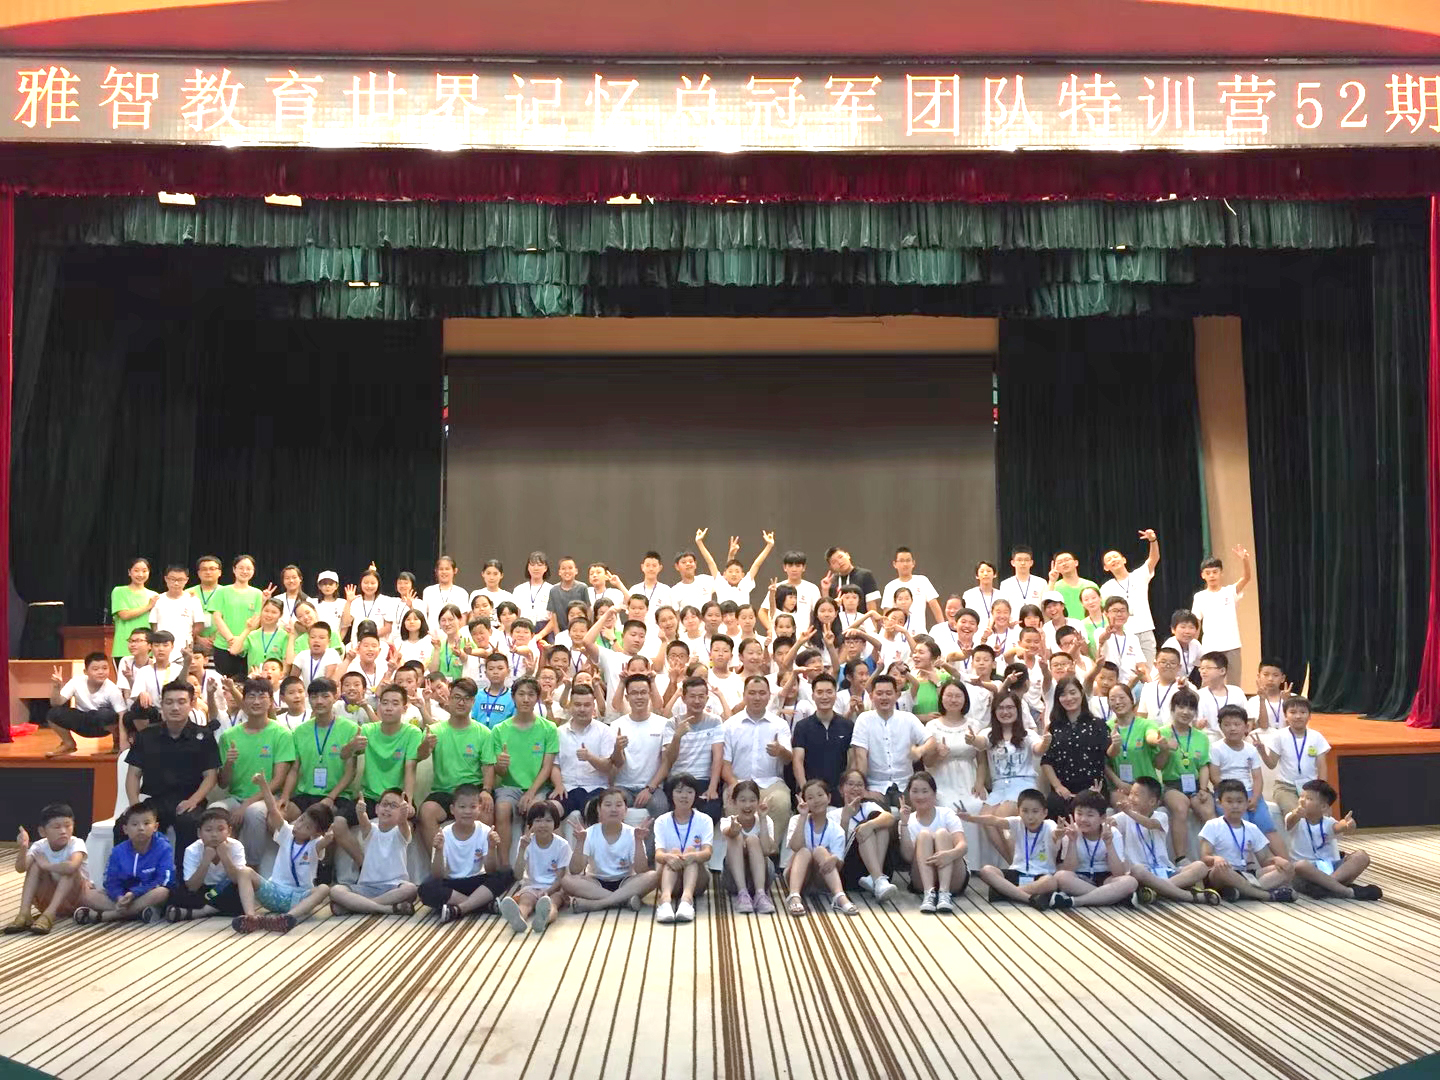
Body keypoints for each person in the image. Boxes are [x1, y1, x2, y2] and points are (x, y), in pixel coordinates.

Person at [121, 681, 220, 867]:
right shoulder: (146, 736)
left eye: (181, 702)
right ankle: (131, 876)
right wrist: (135, 806)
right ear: (161, 704)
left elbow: (211, 776)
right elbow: (133, 774)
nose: (175, 707)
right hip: (155, 801)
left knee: (189, 823)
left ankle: (184, 879)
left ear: (191, 704)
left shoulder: (203, 736)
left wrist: (194, 800)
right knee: (125, 825)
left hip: (190, 801)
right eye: (169, 702)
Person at [230, 773, 333, 931]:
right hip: (274, 892)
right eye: (301, 819)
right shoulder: (287, 832)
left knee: (324, 889)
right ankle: (251, 917)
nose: (299, 826)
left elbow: (324, 841)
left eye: (307, 827)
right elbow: (272, 809)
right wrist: (263, 784)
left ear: (316, 833)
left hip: (299, 897)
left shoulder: (315, 844)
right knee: (244, 872)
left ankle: (287, 918)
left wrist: (329, 837)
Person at [214, 677, 296, 865]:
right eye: (251, 696)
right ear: (243, 701)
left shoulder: (282, 734)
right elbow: (223, 783)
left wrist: (247, 804)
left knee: (253, 812)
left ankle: (251, 867)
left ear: (271, 701)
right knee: (215, 811)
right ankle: (220, 869)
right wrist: (229, 763)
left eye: (262, 696)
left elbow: (278, 779)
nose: (256, 701)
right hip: (235, 798)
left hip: (268, 797)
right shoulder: (229, 736)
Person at [283, 676, 361, 871]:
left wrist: (330, 797)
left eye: (325, 696)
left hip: (337, 795)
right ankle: (292, 866)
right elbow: (294, 769)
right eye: (314, 697)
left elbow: (350, 772)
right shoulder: (300, 731)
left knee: (325, 816)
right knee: (276, 816)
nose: (319, 701)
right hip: (306, 793)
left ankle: (327, 865)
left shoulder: (350, 729)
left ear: (335, 697)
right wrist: (284, 797)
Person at [417, 678, 496, 855]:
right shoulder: (435, 730)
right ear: (449, 698)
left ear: (473, 702)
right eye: (457, 697)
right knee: (427, 811)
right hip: (444, 791)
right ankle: (440, 862)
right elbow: (420, 756)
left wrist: (486, 790)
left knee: (486, 808)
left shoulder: (483, 732)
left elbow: (488, 766)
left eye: (467, 699)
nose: (461, 703)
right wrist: (426, 745)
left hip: (472, 789)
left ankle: (480, 862)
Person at [1113, 777, 1219, 905]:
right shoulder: (1124, 816)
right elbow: (1106, 823)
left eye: (1136, 795)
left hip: (1165, 870)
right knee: (1137, 870)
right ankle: (1187, 896)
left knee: (1200, 867)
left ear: (1152, 801)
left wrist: (1129, 812)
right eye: (1130, 794)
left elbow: (1150, 824)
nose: (1131, 798)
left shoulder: (1160, 816)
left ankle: (1156, 890)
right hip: (1144, 873)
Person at [490, 677, 559, 868]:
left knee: (537, 810)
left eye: (531, 694)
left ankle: (536, 867)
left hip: (538, 787)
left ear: (537, 698)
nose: (526, 699)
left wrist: (530, 793)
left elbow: (547, 767)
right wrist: (501, 765)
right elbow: (499, 772)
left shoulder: (549, 728)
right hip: (508, 787)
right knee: (502, 808)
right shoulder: (499, 730)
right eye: (521, 694)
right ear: (513, 697)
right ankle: (504, 867)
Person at [418, 784, 512, 923]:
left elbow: (491, 870)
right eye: (462, 807)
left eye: (473, 807)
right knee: (426, 888)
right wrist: (438, 850)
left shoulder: (485, 831)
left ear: (479, 808)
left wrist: (492, 848)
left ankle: (459, 909)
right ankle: (483, 905)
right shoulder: (444, 834)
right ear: (452, 809)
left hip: (477, 883)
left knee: (506, 873)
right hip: (452, 884)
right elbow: (438, 875)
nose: (467, 811)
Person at [73, 802, 173, 925]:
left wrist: (135, 893)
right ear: (125, 829)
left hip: (146, 894)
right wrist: (119, 896)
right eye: (135, 824)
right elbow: (110, 881)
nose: (141, 828)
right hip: (122, 898)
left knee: (162, 892)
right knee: (86, 895)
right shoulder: (118, 851)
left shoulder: (163, 848)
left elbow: (164, 879)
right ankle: (136, 913)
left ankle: (108, 916)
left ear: (155, 827)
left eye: (146, 823)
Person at [561, 788, 660, 913]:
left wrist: (639, 841)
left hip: (626, 882)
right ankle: (623, 901)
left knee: (653, 875)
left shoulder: (633, 833)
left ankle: (598, 904)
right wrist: (580, 842)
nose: (613, 809)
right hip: (596, 883)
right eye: (608, 805)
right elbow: (575, 870)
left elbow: (641, 870)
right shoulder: (589, 833)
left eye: (618, 805)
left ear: (625, 810)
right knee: (567, 880)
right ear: (599, 809)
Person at [721, 677, 793, 842]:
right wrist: (733, 783)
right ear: (744, 695)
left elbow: (788, 759)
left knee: (781, 802)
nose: (757, 698)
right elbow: (725, 764)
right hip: (739, 782)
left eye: (762, 693)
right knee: (734, 801)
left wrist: (780, 751)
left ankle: (770, 851)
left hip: (771, 783)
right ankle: (740, 851)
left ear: (769, 696)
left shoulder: (779, 724)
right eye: (752, 693)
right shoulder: (730, 725)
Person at [1284, 780, 1382, 901]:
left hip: (1330, 868)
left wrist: (1348, 824)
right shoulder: (1295, 819)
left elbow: (1338, 826)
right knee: (1300, 865)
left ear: (1323, 806)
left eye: (1309, 798)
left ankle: (1326, 887)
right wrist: (1296, 814)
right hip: (1307, 873)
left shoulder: (1328, 822)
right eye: (1301, 796)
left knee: (1362, 856)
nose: (1302, 801)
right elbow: (1290, 822)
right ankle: (1347, 891)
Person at [1199, 779, 1294, 902]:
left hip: (1247, 873)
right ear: (1219, 803)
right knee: (1221, 871)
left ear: (1246, 803)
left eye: (1239, 801)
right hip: (1223, 873)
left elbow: (1264, 860)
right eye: (1229, 801)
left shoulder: (1252, 828)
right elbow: (1205, 857)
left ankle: (1241, 892)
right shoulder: (1212, 825)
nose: (1235, 806)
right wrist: (1216, 859)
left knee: (1287, 869)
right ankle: (1266, 895)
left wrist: (1277, 860)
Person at [329, 789, 420, 915]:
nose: (387, 808)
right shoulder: (371, 830)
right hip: (366, 888)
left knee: (410, 889)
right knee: (335, 891)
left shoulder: (401, 833)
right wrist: (360, 812)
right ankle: (386, 909)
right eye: (385, 804)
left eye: (394, 806)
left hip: (393, 887)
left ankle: (357, 906)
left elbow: (403, 824)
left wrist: (403, 816)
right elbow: (363, 820)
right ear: (377, 809)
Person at [962, 789, 1060, 906]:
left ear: (1044, 813)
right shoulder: (1017, 822)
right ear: (1019, 811)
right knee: (986, 870)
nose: (1030, 817)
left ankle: (1006, 893)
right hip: (1017, 871)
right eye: (1025, 811)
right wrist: (971, 818)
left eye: (1035, 811)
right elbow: (994, 820)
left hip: (1040, 875)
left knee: (1051, 882)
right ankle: (1029, 898)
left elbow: (1055, 833)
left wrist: (1059, 833)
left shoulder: (1050, 825)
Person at [1208, 705, 1283, 851]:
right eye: (1227, 725)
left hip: (1249, 793)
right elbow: (1215, 777)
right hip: (1227, 794)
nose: (1232, 728)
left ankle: (1286, 861)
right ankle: (1246, 862)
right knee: (1240, 826)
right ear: (1220, 727)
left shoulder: (1251, 749)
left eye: (1237, 724)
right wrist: (1233, 796)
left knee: (1268, 827)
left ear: (1246, 726)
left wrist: (1255, 798)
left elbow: (1257, 778)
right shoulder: (1215, 748)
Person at [1047, 791, 1138, 909]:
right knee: (1060, 876)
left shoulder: (1112, 833)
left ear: (1102, 818)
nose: (1083, 819)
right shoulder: (1071, 831)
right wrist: (1072, 841)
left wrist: (1109, 844)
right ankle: (1113, 897)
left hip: (1106, 878)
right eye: (1079, 813)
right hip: (1080, 878)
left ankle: (1076, 901)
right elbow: (1069, 869)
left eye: (1090, 815)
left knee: (1130, 882)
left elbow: (1118, 873)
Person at [1152, 687, 1212, 862]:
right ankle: (1181, 858)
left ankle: (1210, 857)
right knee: (1180, 807)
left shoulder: (1201, 737)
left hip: (1196, 784)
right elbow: (1159, 765)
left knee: (1208, 810)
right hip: (1172, 785)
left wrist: (1203, 789)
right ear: (1172, 709)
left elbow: (1203, 766)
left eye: (1191, 708)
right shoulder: (1162, 733)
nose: (1186, 712)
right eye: (1181, 707)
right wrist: (1165, 749)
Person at [6, 803, 86, 934]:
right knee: (35, 866)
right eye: (57, 827)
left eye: (68, 825)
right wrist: (23, 848)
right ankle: (24, 913)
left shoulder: (76, 843)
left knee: (68, 869)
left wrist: (47, 865)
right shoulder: (39, 846)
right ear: (42, 832)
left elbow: (72, 866)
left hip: (75, 898)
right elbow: (21, 868)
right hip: (46, 898)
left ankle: (49, 915)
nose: (63, 831)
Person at [849, 673, 926, 808]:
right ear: (871, 696)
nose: (884, 697)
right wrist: (864, 790)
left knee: (917, 811)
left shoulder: (908, 718)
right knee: (877, 815)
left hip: (906, 784)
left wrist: (921, 750)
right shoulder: (864, 719)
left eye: (889, 693)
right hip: (875, 785)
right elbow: (861, 757)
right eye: (879, 693)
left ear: (897, 695)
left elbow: (930, 740)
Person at [784, 778, 859, 917]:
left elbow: (839, 863)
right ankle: (794, 896)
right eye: (810, 797)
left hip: (823, 878)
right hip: (798, 877)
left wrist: (833, 858)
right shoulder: (796, 820)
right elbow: (795, 846)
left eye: (820, 795)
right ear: (804, 801)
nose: (816, 800)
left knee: (820, 851)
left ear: (829, 798)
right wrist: (803, 816)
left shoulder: (836, 829)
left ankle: (840, 897)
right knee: (804, 851)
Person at [167, 806, 256, 922]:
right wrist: (206, 860)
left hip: (226, 888)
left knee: (241, 894)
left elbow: (237, 879)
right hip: (203, 890)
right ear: (199, 833)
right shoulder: (192, 850)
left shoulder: (236, 846)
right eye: (208, 830)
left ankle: (201, 912)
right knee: (178, 894)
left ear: (229, 831)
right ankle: (215, 909)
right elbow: (192, 886)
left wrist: (225, 856)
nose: (214, 835)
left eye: (220, 829)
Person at [897, 770, 967, 913]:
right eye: (915, 791)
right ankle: (929, 894)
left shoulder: (946, 813)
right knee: (924, 835)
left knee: (942, 833)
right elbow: (908, 857)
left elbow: (963, 845)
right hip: (922, 878)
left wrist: (949, 855)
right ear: (909, 794)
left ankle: (944, 894)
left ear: (934, 794)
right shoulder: (906, 820)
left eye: (925, 791)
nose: (920, 796)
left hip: (953, 875)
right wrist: (903, 824)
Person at [1040, 676, 1109, 819]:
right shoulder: (1053, 727)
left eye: (1073, 692)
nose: (1068, 698)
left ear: (1082, 693)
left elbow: (1108, 755)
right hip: (1063, 790)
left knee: (1091, 808)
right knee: (1053, 805)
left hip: (1093, 789)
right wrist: (1058, 786)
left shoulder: (1098, 724)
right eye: (1063, 694)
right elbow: (1046, 761)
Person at [498, 801, 571, 934]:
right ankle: (518, 918)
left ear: (555, 823)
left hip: (554, 888)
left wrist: (548, 891)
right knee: (525, 901)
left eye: (548, 820)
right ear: (530, 824)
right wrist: (522, 849)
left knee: (552, 903)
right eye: (538, 821)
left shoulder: (562, 845)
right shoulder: (526, 842)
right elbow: (518, 875)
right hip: (532, 886)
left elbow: (561, 877)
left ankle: (544, 919)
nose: (543, 825)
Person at [652, 774, 716, 923]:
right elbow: (658, 854)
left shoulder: (705, 820)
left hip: (697, 880)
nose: (684, 796)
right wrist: (669, 857)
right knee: (673, 853)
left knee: (691, 852)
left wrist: (693, 856)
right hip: (669, 878)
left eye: (689, 792)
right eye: (679, 791)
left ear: (695, 795)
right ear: (671, 794)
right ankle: (665, 902)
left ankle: (687, 901)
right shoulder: (662, 821)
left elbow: (707, 853)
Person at [553, 682, 618, 826]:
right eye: (577, 705)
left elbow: (608, 766)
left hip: (595, 787)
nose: (582, 709)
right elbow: (555, 765)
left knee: (593, 811)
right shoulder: (559, 732)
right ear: (570, 706)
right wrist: (558, 785)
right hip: (567, 788)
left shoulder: (605, 731)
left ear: (593, 706)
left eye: (587, 705)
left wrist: (590, 757)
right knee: (548, 811)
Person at [660, 678, 725, 821]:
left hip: (703, 780)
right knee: (676, 815)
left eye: (701, 696)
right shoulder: (672, 723)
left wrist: (712, 787)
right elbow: (669, 759)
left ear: (707, 698)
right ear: (683, 699)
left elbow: (718, 756)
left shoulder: (715, 721)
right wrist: (677, 737)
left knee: (711, 812)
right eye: (692, 696)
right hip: (678, 780)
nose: (697, 701)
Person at [834, 768, 897, 902]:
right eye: (850, 784)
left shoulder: (869, 806)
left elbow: (890, 818)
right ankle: (878, 879)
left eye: (859, 785)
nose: (855, 788)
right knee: (864, 826)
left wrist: (870, 825)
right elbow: (838, 848)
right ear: (841, 789)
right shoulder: (833, 814)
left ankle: (876, 878)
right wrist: (845, 820)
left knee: (879, 823)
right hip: (851, 871)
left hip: (881, 868)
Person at [45, 652, 125, 757]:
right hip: (82, 722)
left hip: (101, 726)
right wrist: (56, 687)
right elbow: (56, 703)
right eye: (95, 669)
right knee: (53, 713)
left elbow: (122, 714)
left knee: (106, 714)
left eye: (105, 668)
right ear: (85, 672)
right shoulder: (76, 682)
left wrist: (123, 743)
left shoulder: (113, 689)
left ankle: (116, 746)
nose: (101, 672)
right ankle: (69, 744)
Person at [1264, 696, 1331, 816]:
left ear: (1309, 716)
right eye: (1293, 712)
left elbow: (1322, 767)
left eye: (1303, 712)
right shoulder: (1279, 736)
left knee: (1325, 815)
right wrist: (1261, 751)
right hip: (1285, 787)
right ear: (1285, 716)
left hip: (1311, 787)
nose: (1298, 716)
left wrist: (1321, 790)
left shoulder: (1317, 737)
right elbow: (1271, 764)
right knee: (1296, 815)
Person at [790, 673, 853, 799]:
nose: (825, 697)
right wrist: (805, 790)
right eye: (819, 692)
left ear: (835, 695)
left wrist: (846, 789)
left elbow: (852, 761)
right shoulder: (802, 727)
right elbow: (797, 761)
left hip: (840, 792)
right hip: (811, 793)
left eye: (829, 692)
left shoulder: (847, 725)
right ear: (813, 696)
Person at [1100, 530, 1160, 662]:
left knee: (1148, 667)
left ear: (1124, 560)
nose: (1113, 560)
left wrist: (1153, 540)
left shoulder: (1139, 575)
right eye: (1109, 560)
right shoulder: (1106, 588)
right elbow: (1104, 612)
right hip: (1123, 632)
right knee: (1128, 667)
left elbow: (1153, 559)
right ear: (1106, 568)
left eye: (1115, 557)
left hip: (1145, 629)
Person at [719, 780, 778, 913]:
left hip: (763, 876)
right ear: (734, 802)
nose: (747, 805)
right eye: (743, 800)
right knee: (736, 837)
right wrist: (733, 830)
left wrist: (762, 818)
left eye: (752, 800)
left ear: (758, 802)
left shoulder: (766, 820)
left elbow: (767, 850)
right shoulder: (727, 821)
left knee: (753, 839)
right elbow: (728, 832)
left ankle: (760, 894)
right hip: (733, 879)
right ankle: (742, 893)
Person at [1192, 546, 1252, 675]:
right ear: (1203, 575)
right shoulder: (1199, 596)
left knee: (1234, 682)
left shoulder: (1230, 591)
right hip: (1210, 647)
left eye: (1215, 572)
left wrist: (1245, 560)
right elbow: (1196, 622)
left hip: (1232, 645)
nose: (1212, 575)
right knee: (1209, 681)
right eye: (1208, 573)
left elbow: (1246, 578)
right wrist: (1193, 644)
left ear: (1221, 573)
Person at [212, 555, 266, 679]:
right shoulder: (222, 591)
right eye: (241, 568)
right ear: (234, 569)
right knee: (225, 683)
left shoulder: (258, 593)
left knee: (247, 683)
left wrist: (241, 641)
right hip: (223, 645)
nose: (245, 571)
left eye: (249, 568)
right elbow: (217, 617)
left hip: (248, 646)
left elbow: (257, 619)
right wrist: (231, 639)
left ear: (253, 571)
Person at [882, 547, 944, 628]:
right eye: (901, 561)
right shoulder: (890, 587)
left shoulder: (922, 581)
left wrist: (943, 627)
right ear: (895, 564)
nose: (905, 564)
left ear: (913, 563)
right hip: (897, 632)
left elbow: (935, 606)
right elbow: (886, 614)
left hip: (919, 632)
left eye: (908, 560)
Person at [150, 564, 205, 653]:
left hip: (185, 647)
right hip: (162, 647)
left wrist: (188, 636)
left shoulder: (193, 600)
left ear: (186, 580)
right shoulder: (158, 599)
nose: (176, 583)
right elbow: (154, 624)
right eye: (172, 579)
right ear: (166, 579)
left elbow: (199, 624)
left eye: (180, 580)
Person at [110, 557, 158, 663]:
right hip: (123, 648)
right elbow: (124, 615)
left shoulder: (154, 595)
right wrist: (148, 606)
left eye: (144, 571)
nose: (140, 574)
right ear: (129, 572)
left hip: (147, 650)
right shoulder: (119, 591)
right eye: (136, 570)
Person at [1194, 652, 1246, 740]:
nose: (1203, 671)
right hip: (1209, 739)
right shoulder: (1199, 695)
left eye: (1208, 668)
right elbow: (1196, 722)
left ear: (1222, 671)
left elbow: (1248, 719)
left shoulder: (1236, 692)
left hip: (1235, 738)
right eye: (1201, 668)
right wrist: (1198, 725)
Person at [822, 547, 881, 611]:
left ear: (848, 555)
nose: (839, 562)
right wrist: (825, 590)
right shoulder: (832, 581)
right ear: (831, 567)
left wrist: (871, 617)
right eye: (834, 562)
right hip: (838, 617)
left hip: (862, 617)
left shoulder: (865, 575)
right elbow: (827, 609)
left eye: (841, 557)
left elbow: (871, 604)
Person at [1047, 552, 1099, 620]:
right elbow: (1047, 604)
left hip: (1089, 624)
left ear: (1076, 563)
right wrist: (1052, 581)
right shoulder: (1054, 586)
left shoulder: (1090, 585)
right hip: (1066, 625)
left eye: (1067, 560)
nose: (1064, 563)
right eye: (1060, 562)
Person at [1247, 658, 1294, 731]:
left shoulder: (1293, 698)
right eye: (1266, 675)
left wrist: (1287, 702)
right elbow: (1263, 726)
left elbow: (1295, 726)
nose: (1270, 679)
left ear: (1282, 678)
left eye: (1275, 675)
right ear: (1259, 677)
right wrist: (1262, 700)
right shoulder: (1253, 701)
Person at [421, 555, 468, 628]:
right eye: (441, 569)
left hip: (453, 633)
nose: (444, 572)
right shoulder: (428, 591)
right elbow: (424, 615)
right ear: (436, 571)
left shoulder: (461, 593)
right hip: (432, 633)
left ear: (455, 571)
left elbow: (463, 619)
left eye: (447, 569)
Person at [998, 546, 1047, 611]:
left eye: (1026, 560)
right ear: (1013, 563)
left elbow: (1045, 606)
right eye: (1019, 560)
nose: (1023, 563)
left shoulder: (1041, 582)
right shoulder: (1005, 584)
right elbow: (1004, 607)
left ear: (1031, 563)